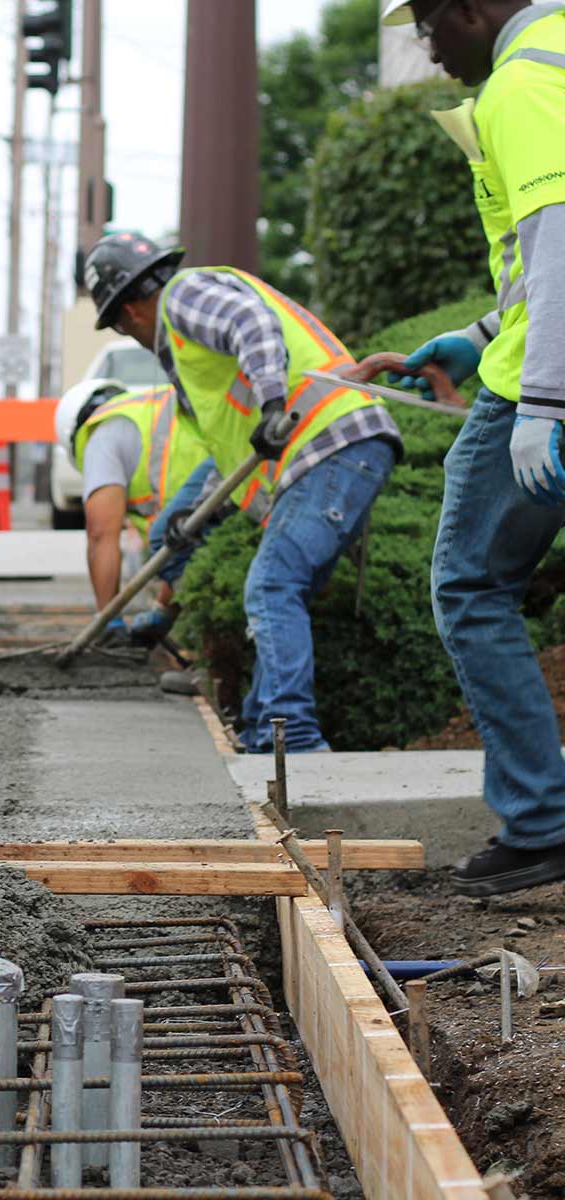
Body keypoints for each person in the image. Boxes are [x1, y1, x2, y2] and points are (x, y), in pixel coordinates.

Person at [83, 231, 403, 754]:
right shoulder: (189, 353)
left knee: (272, 588)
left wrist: (273, 404)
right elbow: (234, 446)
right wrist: (194, 515)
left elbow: (252, 324)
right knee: (178, 538)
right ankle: (259, 733)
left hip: (330, 442)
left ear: (127, 314)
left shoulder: (182, 299)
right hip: (328, 449)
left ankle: (293, 740)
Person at [382, 0, 565, 895]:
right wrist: (481, 328)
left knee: (471, 586)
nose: (427, 46)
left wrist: (543, 400)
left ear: (470, 8)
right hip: (533, 356)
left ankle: (540, 826)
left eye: (428, 22)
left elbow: (562, 238)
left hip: (544, 385)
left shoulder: (523, 81)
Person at [53, 378, 210, 645]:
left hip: (212, 493)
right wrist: (162, 611)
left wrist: (108, 619)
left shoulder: (100, 435)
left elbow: (101, 534)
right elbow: (181, 545)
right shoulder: (150, 410)